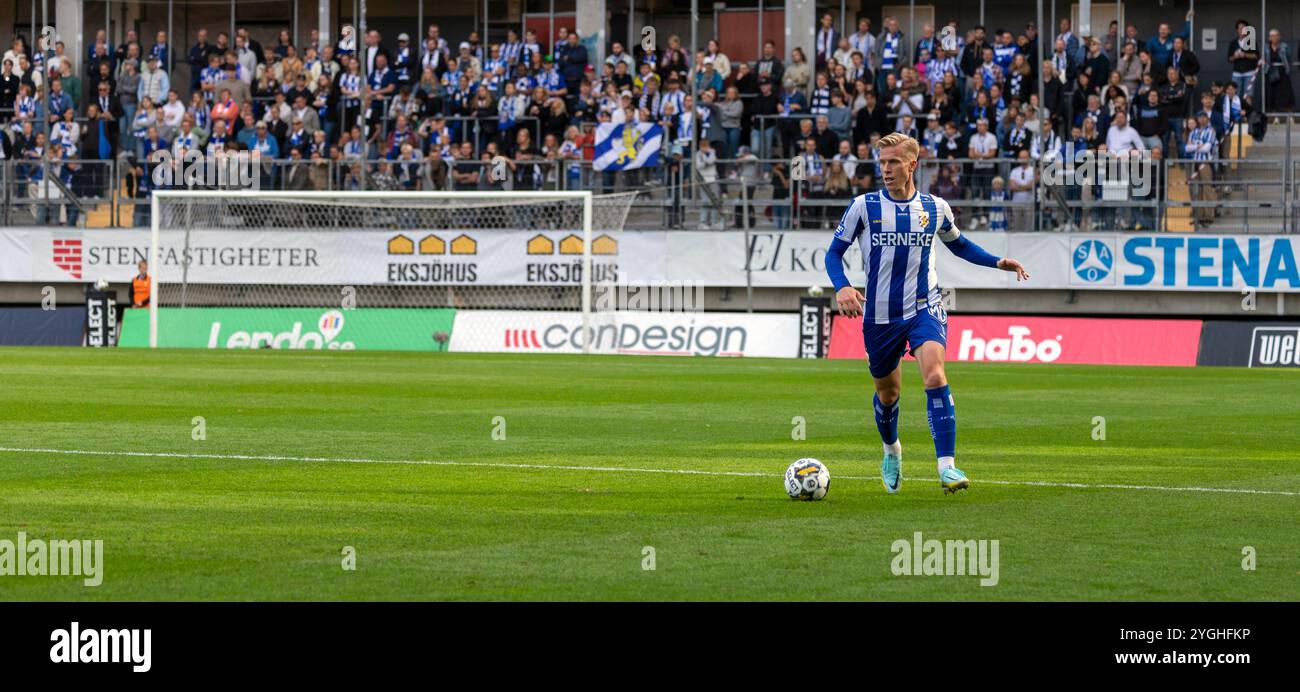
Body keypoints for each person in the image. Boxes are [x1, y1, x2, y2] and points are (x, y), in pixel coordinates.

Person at [824, 132, 1030, 495]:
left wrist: (998, 262)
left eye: (894, 162)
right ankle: (892, 450)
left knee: (934, 375)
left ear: (912, 165)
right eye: (882, 163)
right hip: (881, 315)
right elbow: (833, 253)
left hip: (924, 307)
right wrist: (842, 285)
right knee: (888, 396)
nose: (886, 170)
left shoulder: (935, 208)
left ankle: (947, 467)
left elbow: (960, 245)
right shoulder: (864, 207)